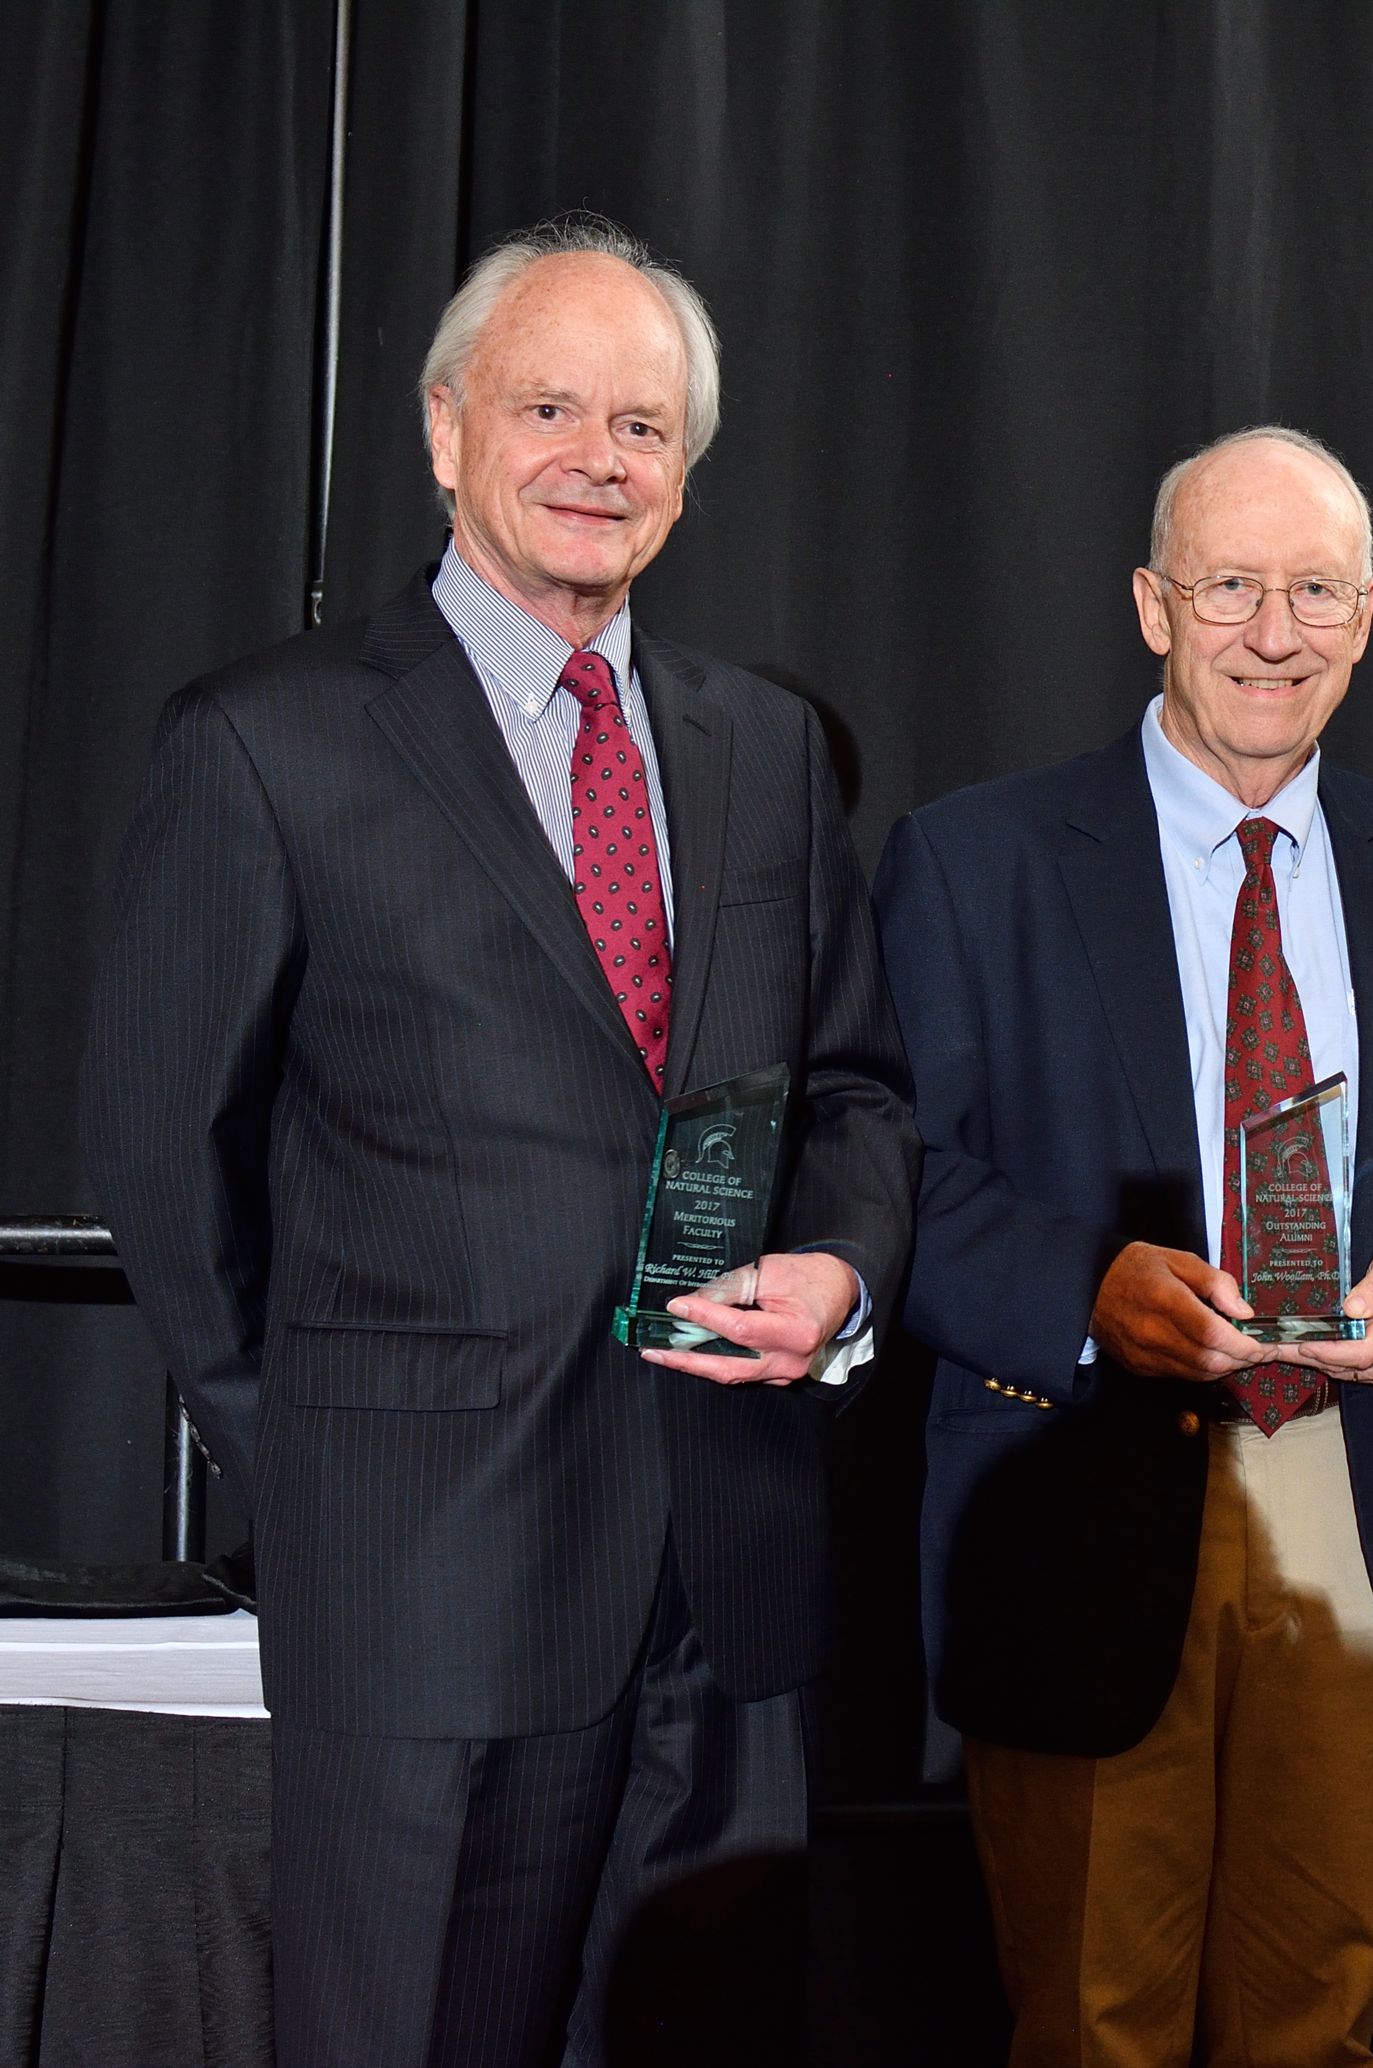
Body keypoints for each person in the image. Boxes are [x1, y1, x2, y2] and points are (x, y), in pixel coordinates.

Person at [84, 217, 916, 2068]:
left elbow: (857, 1089)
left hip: (727, 1566)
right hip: (424, 1588)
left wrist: (845, 1270)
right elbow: (165, 1157)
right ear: (445, 429)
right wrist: (326, 1473)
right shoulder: (266, 745)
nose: (596, 459)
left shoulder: (766, 747)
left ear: (684, 481)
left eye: (642, 427)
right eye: (550, 406)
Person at [874, 425, 1373, 2065]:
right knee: (1093, 2019)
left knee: (1316, 2018)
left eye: (1315, 590)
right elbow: (892, 1166)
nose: (1275, 631)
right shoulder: (979, 860)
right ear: (1150, 605)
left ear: (1370, 612)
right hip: (1085, 1488)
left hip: (1353, 1488)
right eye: (1233, 587)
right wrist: (1082, 1294)